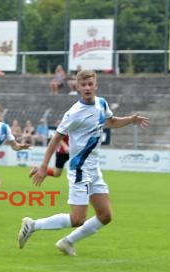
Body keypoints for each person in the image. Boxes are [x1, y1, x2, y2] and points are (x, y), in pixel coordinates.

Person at [18, 70, 150, 256]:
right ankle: (33, 225)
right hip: (79, 169)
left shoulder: (101, 103)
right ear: (77, 87)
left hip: (93, 169)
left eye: (90, 84)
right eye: (83, 85)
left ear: (96, 85)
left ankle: (67, 242)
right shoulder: (74, 113)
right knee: (77, 219)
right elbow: (55, 139)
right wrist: (42, 166)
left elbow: (110, 122)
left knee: (105, 215)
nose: (87, 88)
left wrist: (131, 120)